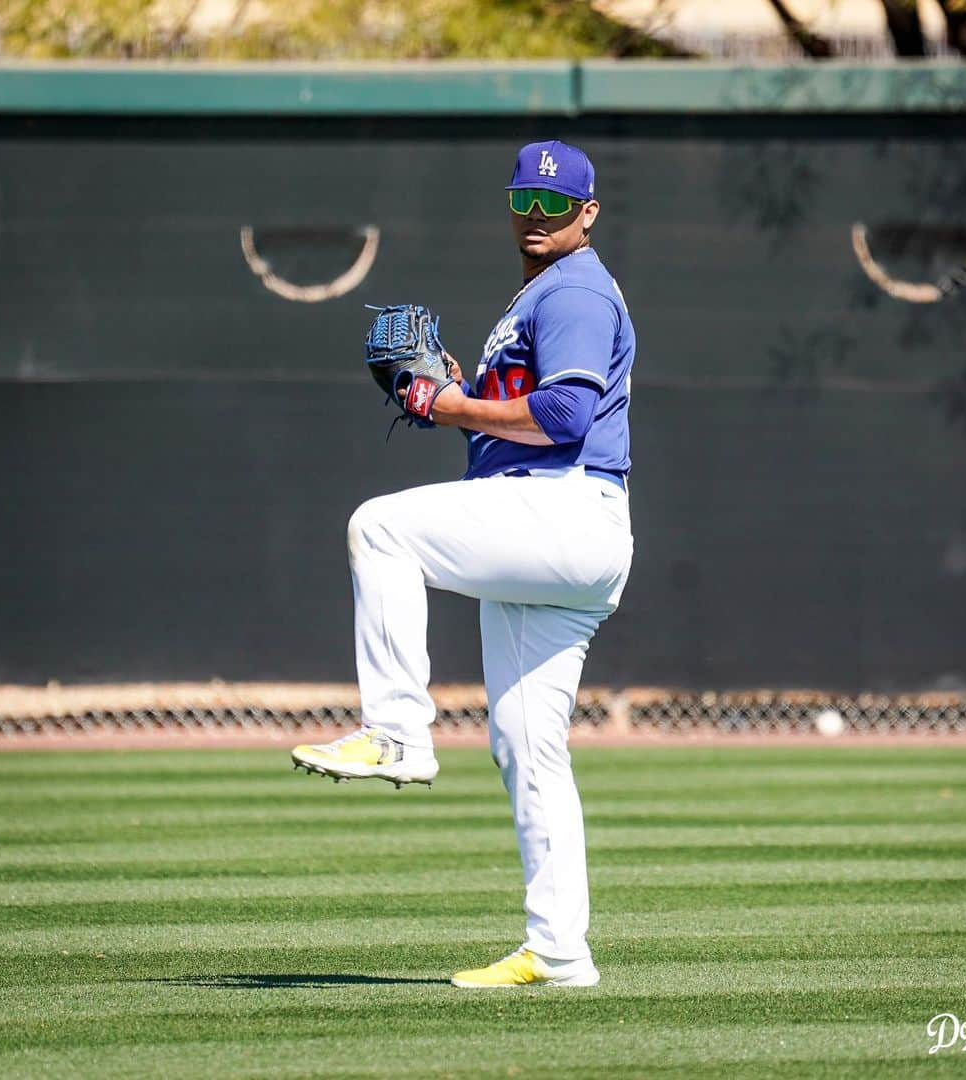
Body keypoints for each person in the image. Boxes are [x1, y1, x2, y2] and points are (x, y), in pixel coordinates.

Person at [292, 140, 635, 989]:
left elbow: (563, 415)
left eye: (555, 206)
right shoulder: (536, 296)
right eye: (525, 201)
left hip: (563, 508)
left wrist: (448, 405)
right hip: (557, 530)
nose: (536, 216)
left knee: (379, 528)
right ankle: (560, 951)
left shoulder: (578, 290)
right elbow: (513, 418)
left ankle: (399, 733)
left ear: (587, 215)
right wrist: (463, 389)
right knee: (528, 746)